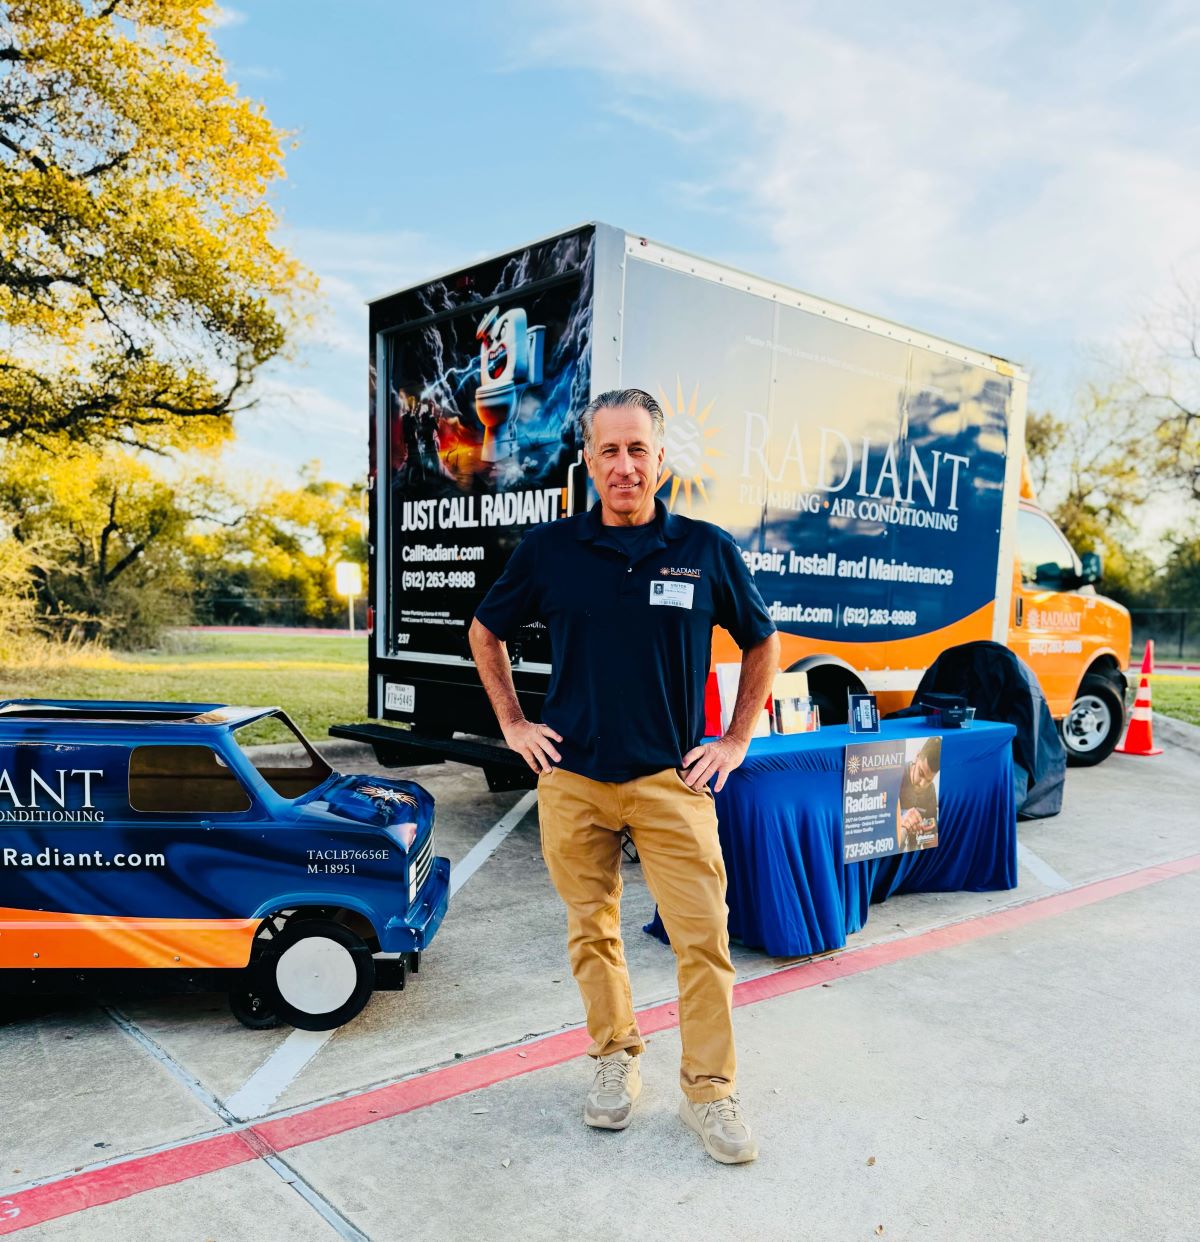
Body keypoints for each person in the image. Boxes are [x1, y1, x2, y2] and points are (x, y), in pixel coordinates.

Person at [469, 388, 779, 1165]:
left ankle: (709, 1091)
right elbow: (485, 632)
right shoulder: (551, 552)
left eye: (638, 449)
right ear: (588, 462)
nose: (624, 465)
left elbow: (762, 643)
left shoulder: (705, 549)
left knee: (703, 941)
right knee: (591, 931)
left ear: (661, 459)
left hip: (672, 781)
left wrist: (735, 740)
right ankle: (614, 1057)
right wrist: (513, 725)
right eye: (608, 450)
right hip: (573, 780)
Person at [897, 735, 941, 851]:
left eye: (929, 780)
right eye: (921, 773)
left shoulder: (931, 790)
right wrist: (902, 823)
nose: (923, 784)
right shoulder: (896, 774)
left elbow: (932, 839)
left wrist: (927, 832)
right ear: (917, 756)